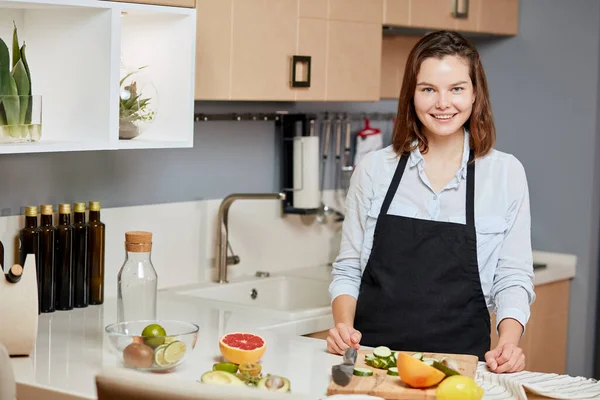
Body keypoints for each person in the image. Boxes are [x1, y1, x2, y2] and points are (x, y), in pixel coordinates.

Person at [327, 30, 535, 374]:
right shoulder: (375, 170)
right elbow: (348, 268)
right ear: (411, 95)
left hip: (462, 367)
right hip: (373, 365)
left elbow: (512, 277)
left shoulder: (505, 173)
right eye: (428, 90)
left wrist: (508, 343)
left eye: (456, 89)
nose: (443, 103)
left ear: (474, 94)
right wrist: (342, 326)